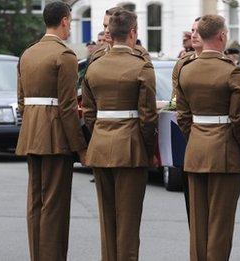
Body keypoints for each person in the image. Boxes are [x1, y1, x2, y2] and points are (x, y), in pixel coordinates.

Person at [175, 14, 240, 260]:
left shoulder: (186, 70)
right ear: (222, 36)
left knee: (198, 225)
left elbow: (182, 116)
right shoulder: (231, 71)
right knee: (220, 226)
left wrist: (198, 137)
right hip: (224, 154)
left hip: (196, 150)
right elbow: (239, 119)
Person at [82, 9, 157, 261]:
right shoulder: (141, 65)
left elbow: (89, 113)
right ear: (133, 32)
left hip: (101, 145)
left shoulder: (94, 66)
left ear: (109, 34)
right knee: (129, 221)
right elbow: (147, 117)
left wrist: (100, 134)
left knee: (108, 219)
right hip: (131, 148)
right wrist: (149, 149)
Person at [15, 2, 87, 260]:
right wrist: (79, 145)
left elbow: (22, 100)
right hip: (55, 136)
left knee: (35, 201)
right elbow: (68, 106)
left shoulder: (28, 53)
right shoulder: (64, 55)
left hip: (32, 132)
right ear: (65, 21)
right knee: (54, 205)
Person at [171, 16, 203, 228]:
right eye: (192, 30)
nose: (193, 34)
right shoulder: (183, 64)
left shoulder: (226, 64)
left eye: (198, 31)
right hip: (189, 140)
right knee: (192, 204)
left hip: (217, 143)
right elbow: (178, 104)